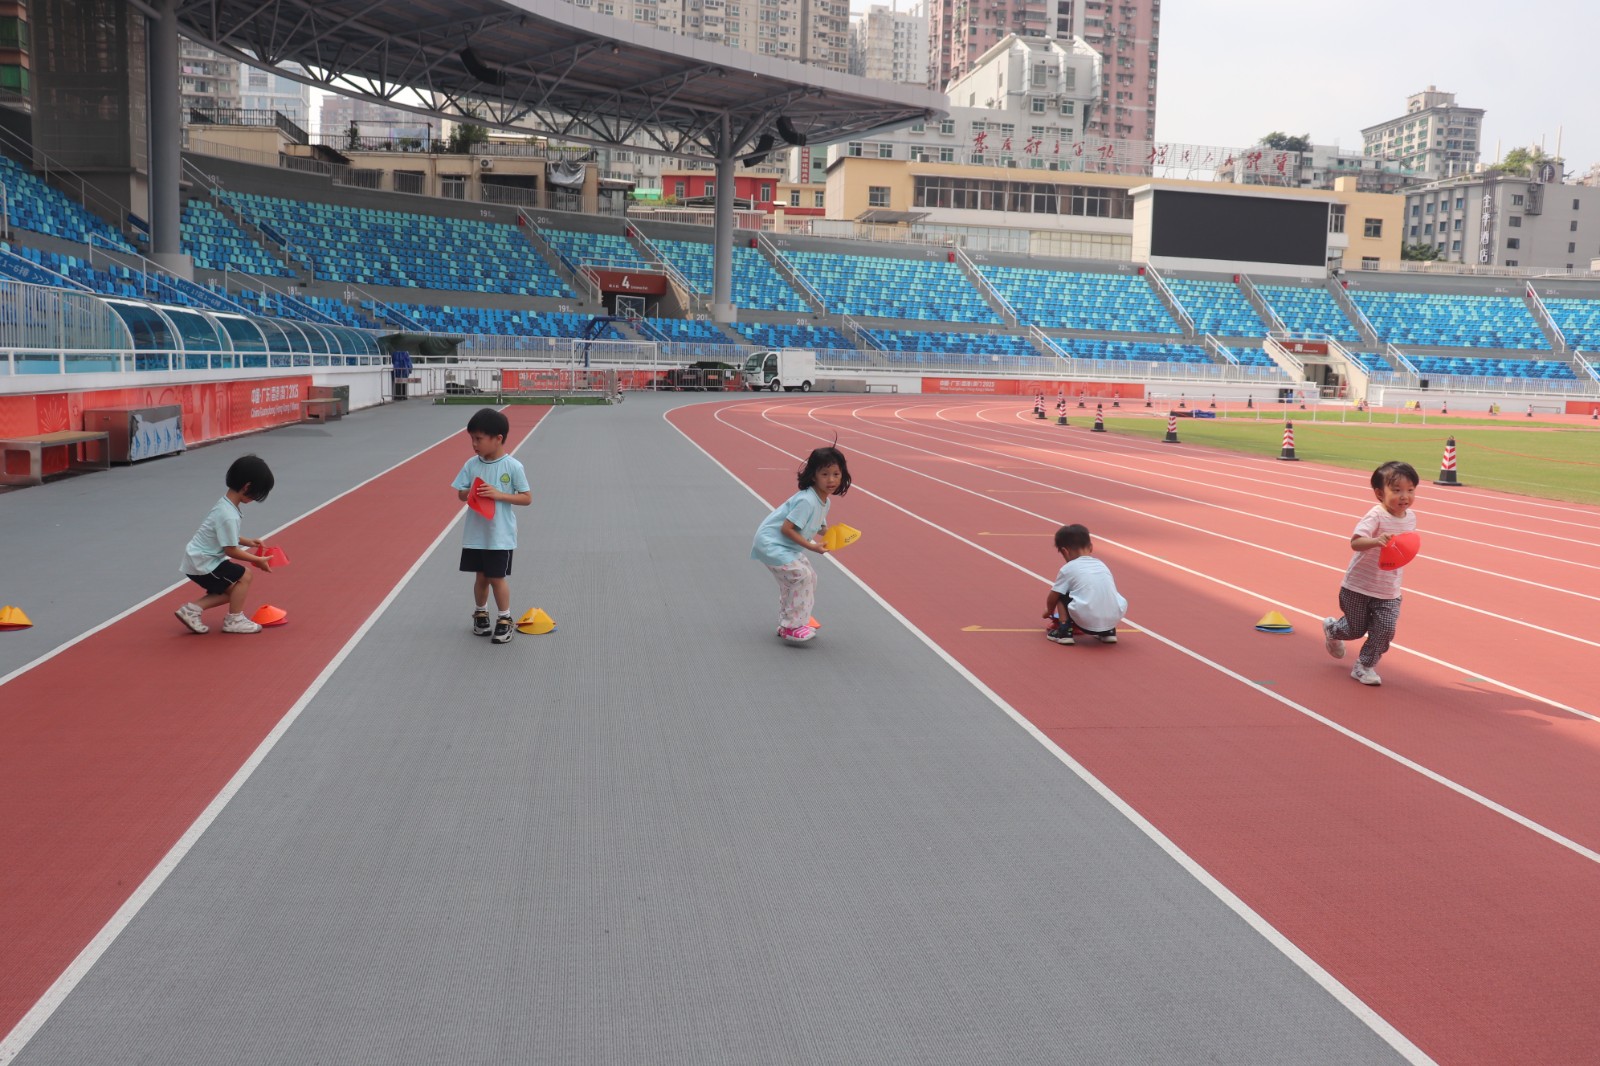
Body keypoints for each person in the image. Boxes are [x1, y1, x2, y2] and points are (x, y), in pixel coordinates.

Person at [1322, 460, 1419, 686]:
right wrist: (1376, 541)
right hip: (1358, 586)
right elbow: (1355, 543)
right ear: (1379, 493)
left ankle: (1364, 666)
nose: (1405, 496)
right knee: (1354, 629)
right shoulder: (1376, 516)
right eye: (1397, 490)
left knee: (1385, 630)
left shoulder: (1411, 518)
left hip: (1389, 590)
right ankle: (1333, 630)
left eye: (1410, 490)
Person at [751, 445, 851, 644]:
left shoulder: (823, 501)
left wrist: (837, 534)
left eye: (836, 474)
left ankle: (796, 618)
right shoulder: (807, 501)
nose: (831, 480)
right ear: (813, 476)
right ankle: (792, 626)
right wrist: (812, 547)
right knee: (800, 575)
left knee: (809, 576)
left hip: (786, 546)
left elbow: (819, 527)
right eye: (824, 474)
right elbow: (786, 529)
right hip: (772, 544)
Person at [451, 408, 532, 644]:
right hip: (476, 534)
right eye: (472, 439)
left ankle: (505, 619)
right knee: (481, 577)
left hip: (500, 535)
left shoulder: (513, 466)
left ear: (498, 438)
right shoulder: (471, 464)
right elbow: (461, 494)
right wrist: (470, 492)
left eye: (479, 439)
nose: (474, 444)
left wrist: (499, 495)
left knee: (497, 577)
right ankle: (481, 614)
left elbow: (526, 498)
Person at [175, 454, 276, 635]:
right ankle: (234, 620)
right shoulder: (229, 515)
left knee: (235, 591)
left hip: (198, 558)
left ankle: (191, 610)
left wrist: (248, 541)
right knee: (245, 576)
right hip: (204, 561)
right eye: (257, 493)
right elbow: (230, 550)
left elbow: (226, 536)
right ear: (247, 487)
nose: (256, 498)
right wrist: (257, 560)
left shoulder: (225, 505)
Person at [1043, 524, 1127, 645]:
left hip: (1085, 622)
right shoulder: (1101, 564)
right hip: (1113, 619)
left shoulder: (1068, 568)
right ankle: (1108, 632)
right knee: (1105, 593)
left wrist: (1048, 611)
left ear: (1064, 551)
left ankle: (1064, 632)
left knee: (1061, 593)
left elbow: (1053, 596)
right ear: (1091, 548)